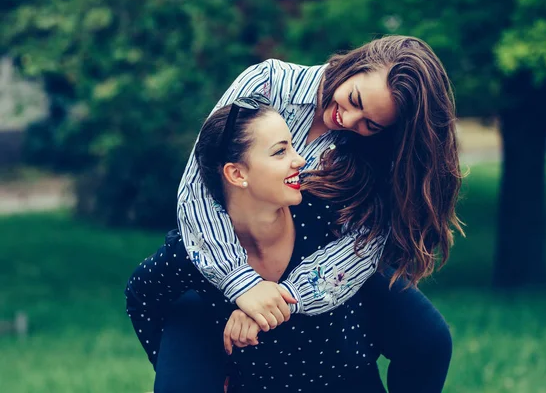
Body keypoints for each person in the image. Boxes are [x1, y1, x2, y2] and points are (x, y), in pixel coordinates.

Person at [148, 35, 462, 392]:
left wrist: (276, 300)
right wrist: (242, 283)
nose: (350, 119)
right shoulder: (268, 83)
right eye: (355, 100)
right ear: (354, 65)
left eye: (371, 123)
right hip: (226, 249)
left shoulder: (370, 151)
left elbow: (363, 242)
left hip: (322, 264)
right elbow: (199, 186)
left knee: (429, 339)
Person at [127, 96, 386, 392]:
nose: (299, 160)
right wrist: (187, 371)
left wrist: (270, 306)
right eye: (280, 151)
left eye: (292, 145)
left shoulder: (325, 214)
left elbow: (374, 233)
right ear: (237, 174)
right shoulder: (196, 253)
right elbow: (141, 296)